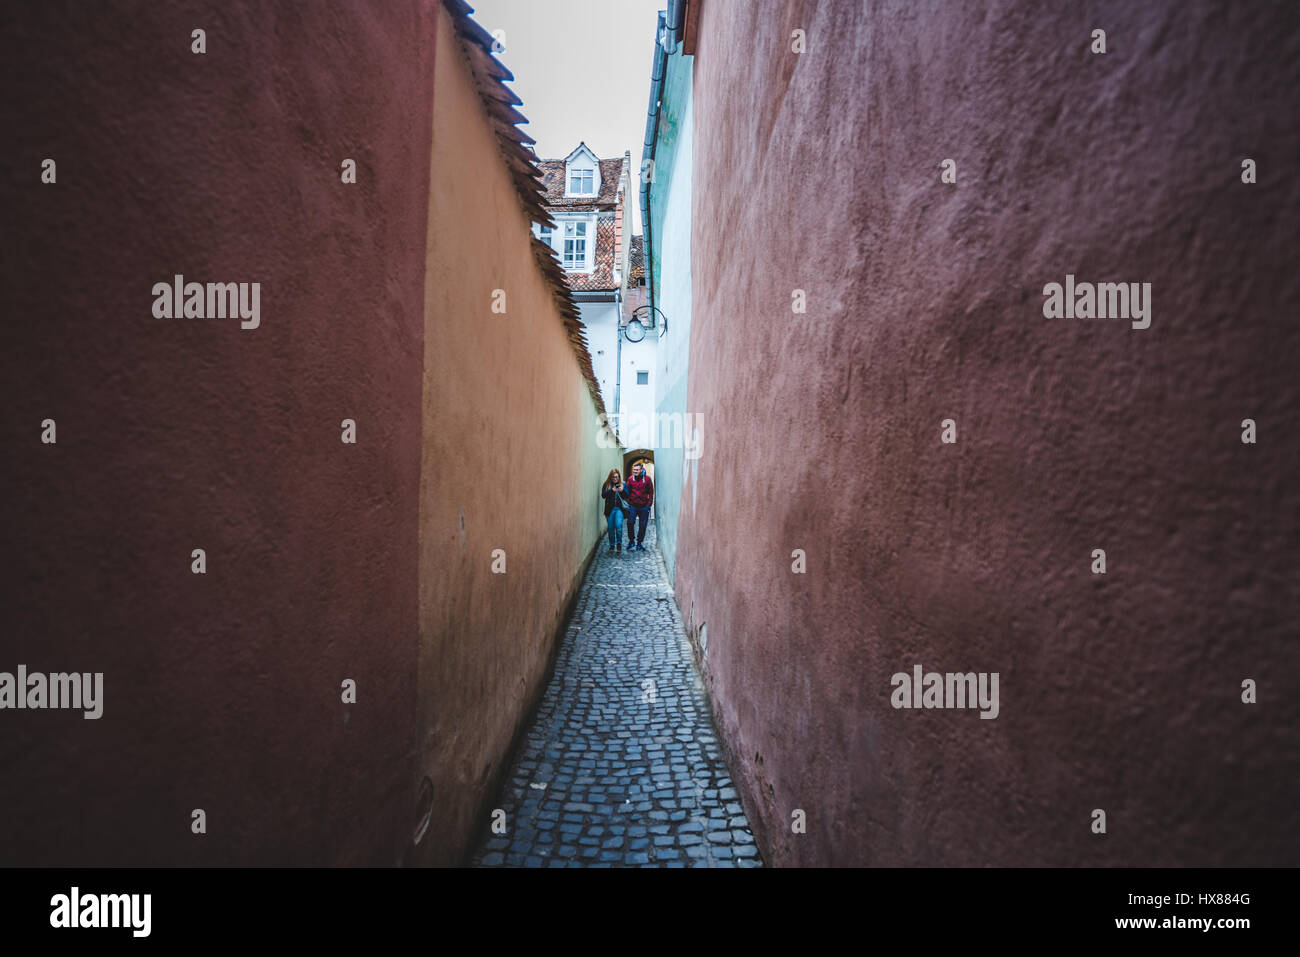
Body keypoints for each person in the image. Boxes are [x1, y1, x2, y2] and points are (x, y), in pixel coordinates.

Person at [623, 461, 654, 551]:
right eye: (634, 469)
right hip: (633, 505)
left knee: (643, 525)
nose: (634, 471)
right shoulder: (630, 479)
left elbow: (651, 492)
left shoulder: (647, 479)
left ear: (641, 470)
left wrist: (649, 504)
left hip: (644, 506)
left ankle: (639, 543)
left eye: (637, 470)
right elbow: (627, 491)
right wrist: (628, 501)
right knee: (630, 523)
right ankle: (631, 541)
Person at [601, 469, 628, 553]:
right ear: (610, 477)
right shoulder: (607, 484)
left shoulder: (623, 484)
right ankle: (612, 546)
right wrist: (611, 491)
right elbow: (603, 495)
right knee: (610, 528)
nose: (615, 479)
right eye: (613, 477)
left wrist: (622, 490)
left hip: (619, 509)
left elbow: (627, 495)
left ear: (619, 477)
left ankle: (619, 545)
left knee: (618, 526)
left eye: (616, 477)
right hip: (609, 510)